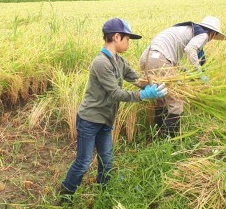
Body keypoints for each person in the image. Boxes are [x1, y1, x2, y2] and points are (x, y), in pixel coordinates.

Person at [60, 18, 167, 198]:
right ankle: (66, 194)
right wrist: (143, 95)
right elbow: (115, 93)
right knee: (84, 162)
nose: (128, 43)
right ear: (116, 37)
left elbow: (136, 79)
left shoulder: (120, 61)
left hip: (106, 119)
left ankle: (104, 191)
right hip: (90, 120)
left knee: (106, 159)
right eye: (127, 39)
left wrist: (154, 86)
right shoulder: (101, 62)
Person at [139, 16, 226, 138]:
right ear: (213, 33)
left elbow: (171, 59)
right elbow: (190, 49)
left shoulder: (187, 30)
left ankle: (157, 133)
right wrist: (199, 74)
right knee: (176, 101)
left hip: (147, 58)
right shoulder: (203, 35)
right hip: (159, 59)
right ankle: (168, 139)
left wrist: (185, 71)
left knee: (161, 97)